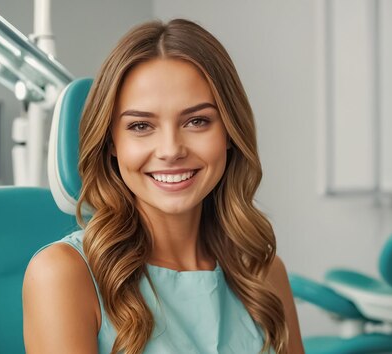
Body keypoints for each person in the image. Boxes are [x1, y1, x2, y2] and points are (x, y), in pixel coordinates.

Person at [23, 18, 304, 354]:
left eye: (197, 121)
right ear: (112, 143)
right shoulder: (64, 275)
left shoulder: (263, 273)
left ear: (229, 133)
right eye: (141, 126)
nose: (171, 150)